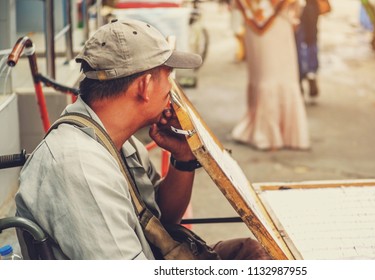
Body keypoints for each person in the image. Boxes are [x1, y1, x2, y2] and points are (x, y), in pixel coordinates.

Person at [15, 19, 270, 260]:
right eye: (168, 75)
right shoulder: (78, 167)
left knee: (253, 252)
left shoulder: (117, 137)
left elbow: (162, 220)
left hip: (155, 254)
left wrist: (182, 158)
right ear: (145, 85)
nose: (172, 87)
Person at [231, 0, 311, 150]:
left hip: (266, 23)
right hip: (274, 23)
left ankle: (268, 131)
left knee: (269, 75)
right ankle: (271, 132)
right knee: (268, 75)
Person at [296, 0, 323, 99]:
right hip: (309, 6)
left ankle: (299, 78)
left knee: (298, 42)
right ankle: (311, 73)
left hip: (298, 7)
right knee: (311, 39)